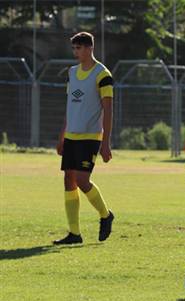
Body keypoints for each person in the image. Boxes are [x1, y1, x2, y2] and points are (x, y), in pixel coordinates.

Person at [53, 32, 115, 245]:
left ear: (90, 48)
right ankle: (74, 233)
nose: (76, 52)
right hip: (71, 136)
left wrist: (106, 143)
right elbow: (70, 106)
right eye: (74, 48)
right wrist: (62, 136)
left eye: (79, 48)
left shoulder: (102, 74)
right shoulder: (71, 73)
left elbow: (108, 110)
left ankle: (106, 215)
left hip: (90, 137)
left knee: (81, 180)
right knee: (68, 179)